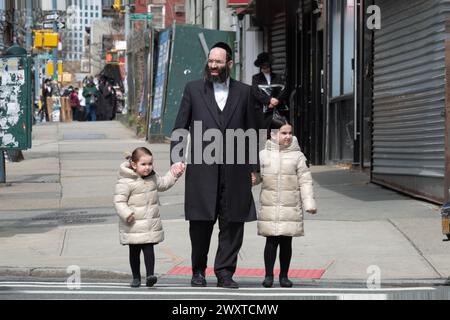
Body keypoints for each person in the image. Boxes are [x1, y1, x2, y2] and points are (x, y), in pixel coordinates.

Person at [171, 42, 259, 289]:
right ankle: (198, 271)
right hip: (202, 167)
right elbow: (181, 126)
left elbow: (251, 131)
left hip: (235, 169)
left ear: (229, 64)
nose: (213, 66)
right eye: (211, 61)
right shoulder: (193, 89)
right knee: (200, 223)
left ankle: (225, 273)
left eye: (218, 62)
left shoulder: (245, 92)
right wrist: (177, 158)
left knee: (233, 223)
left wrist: (254, 169)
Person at [254, 114, 317, 288]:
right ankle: (268, 275)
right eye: (284, 133)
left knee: (286, 242)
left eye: (290, 133)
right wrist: (253, 180)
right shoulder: (263, 155)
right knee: (271, 241)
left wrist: (309, 203)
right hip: (270, 206)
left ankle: (284, 275)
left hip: (290, 205)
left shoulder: (297, 156)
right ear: (273, 134)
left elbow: (305, 180)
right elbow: (257, 177)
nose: (288, 136)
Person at [114, 147, 185, 288]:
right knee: (134, 252)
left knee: (149, 248)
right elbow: (119, 201)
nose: (148, 167)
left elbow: (163, 183)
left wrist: (174, 174)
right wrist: (127, 213)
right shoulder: (126, 181)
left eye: (150, 164)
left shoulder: (152, 177)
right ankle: (136, 277)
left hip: (149, 224)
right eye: (143, 164)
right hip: (133, 224)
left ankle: (150, 275)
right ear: (134, 165)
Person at [251, 52, 288, 130]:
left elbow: (283, 90)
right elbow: (255, 92)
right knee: (262, 134)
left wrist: (277, 100)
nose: (265, 67)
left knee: (275, 132)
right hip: (262, 111)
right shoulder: (256, 78)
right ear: (260, 66)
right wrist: (269, 100)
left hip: (276, 110)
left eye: (267, 65)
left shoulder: (277, 77)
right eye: (263, 65)